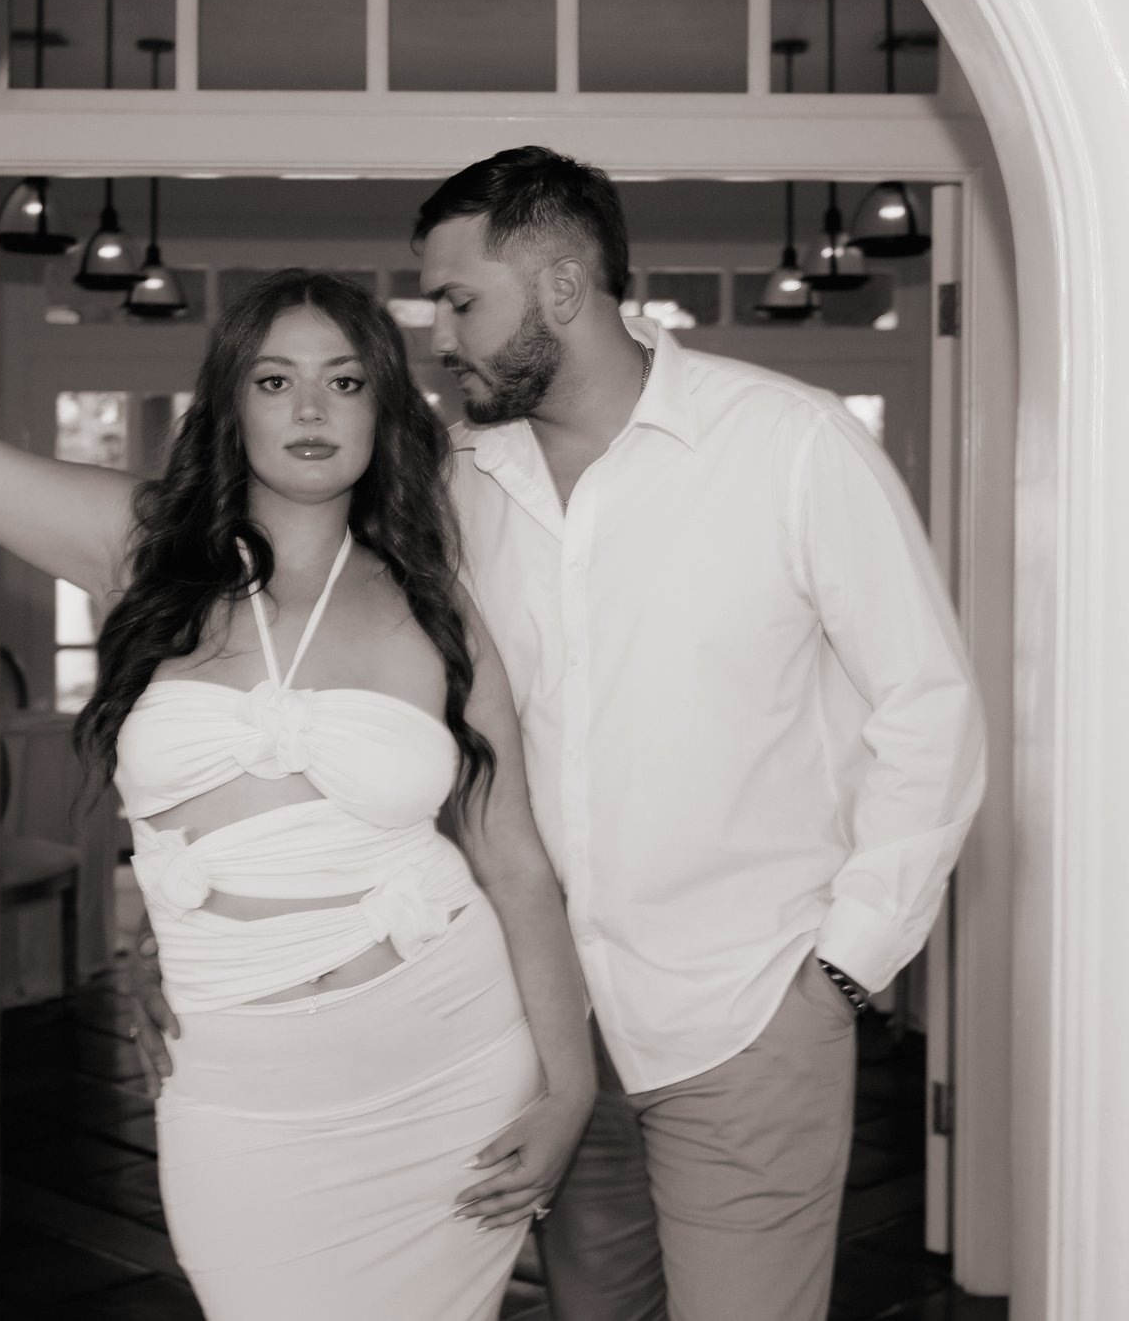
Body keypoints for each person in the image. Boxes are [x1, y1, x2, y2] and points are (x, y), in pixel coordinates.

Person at [0, 34, 595, 1321]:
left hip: (449, 1062)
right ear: (234, 403)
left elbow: (516, 858)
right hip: (240, 1092)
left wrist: (569, 1086)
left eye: (344, 379)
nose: (311, 407)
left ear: (379, 411)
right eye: (276, 378)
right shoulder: (143, 547)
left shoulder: (437, 596)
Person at [412, 146, 987, 1321]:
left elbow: (928, 705)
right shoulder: (458, 487)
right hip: (553, 1028)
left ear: (562, 288)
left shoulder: (791, 444)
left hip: (748, 1008)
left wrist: (843, 965)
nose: (440, 334)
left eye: (460, 299)